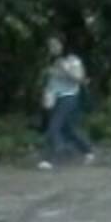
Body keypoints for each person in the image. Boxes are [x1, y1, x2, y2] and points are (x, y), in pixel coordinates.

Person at [38, 36, 94, 170]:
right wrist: (47, 94)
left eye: (55, 45)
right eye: (50, 46)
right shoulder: (50, 61)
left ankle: (52, 158)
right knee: (69, 129)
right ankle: (88, 151)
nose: (52, 48)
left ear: (63, 45)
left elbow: (80, 78)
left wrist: (65, 69)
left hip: (69, 96)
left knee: (54, 127)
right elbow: (51, 80)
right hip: (54, 97)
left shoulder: (72, 60)